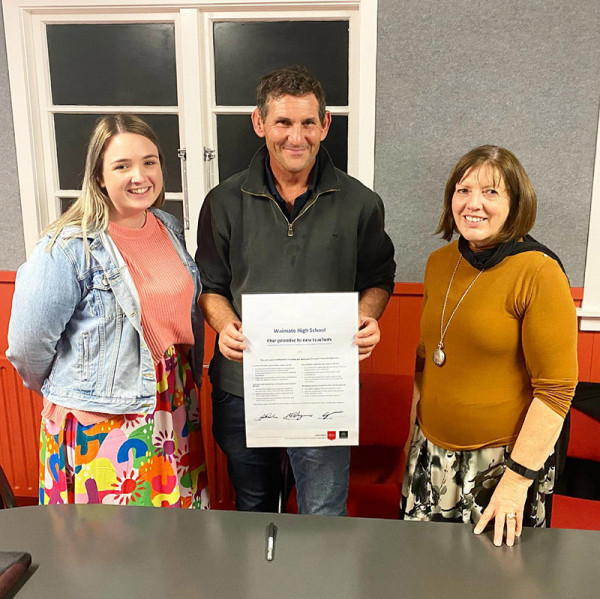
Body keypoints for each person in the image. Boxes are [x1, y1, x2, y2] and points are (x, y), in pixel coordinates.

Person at [196, 65, 396, 515]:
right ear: (259, 123)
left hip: (324, 390)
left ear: (325, 124)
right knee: (255, 508)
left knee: (323, 514)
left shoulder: (361, 203)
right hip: (243, 388)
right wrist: (224, 325)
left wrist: (367, 315)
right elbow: (210, 286)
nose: (296, 136)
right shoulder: (223, 202)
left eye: (308, 123)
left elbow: (379, 278)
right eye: (283, 122)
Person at [7, 114, 209, 508]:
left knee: (179, 531)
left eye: (149, 162)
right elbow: (26, 347)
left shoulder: (166, 226)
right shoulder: (67, 246)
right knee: (113, 538)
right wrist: (76, 391)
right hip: (103, 416)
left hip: (173, 401)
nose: (140, 176)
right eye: (122, 166)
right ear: (99, 176)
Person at [401, 145, 578, 545]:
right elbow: (427, 357)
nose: (473, 204)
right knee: (422, 568)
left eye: (491, 192)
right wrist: (411, 445)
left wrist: (516, 482)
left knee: (490, 574)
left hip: (502, 469)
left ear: (516, 203)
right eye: (463, 190)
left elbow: (556, 390)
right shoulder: (439, 262)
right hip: (430, 454)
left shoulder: (540, 272)